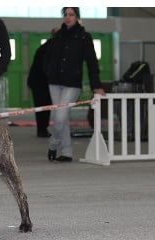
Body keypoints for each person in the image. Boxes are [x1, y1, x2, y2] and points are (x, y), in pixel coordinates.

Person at [44, 7, 105, 162]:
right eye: (65, 14)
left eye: (71, 14)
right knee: (62, 118)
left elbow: (92, 62)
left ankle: (53, 144)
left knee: (60, 116)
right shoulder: (57, 36)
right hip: (54, 82)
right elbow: (48, 57)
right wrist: (48, 71)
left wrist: (96, 85)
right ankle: (67, 152)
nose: (68, 17)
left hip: (72, 84)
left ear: (77, 17)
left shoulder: (85, 37)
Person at [27, 28, 59, 138]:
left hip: (39, 81)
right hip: (40, 82)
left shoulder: (47, 45)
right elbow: (46, 67)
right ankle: (42, 130)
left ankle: (42, 129)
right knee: (43, 106)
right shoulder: (51, 47)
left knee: (43, 106)